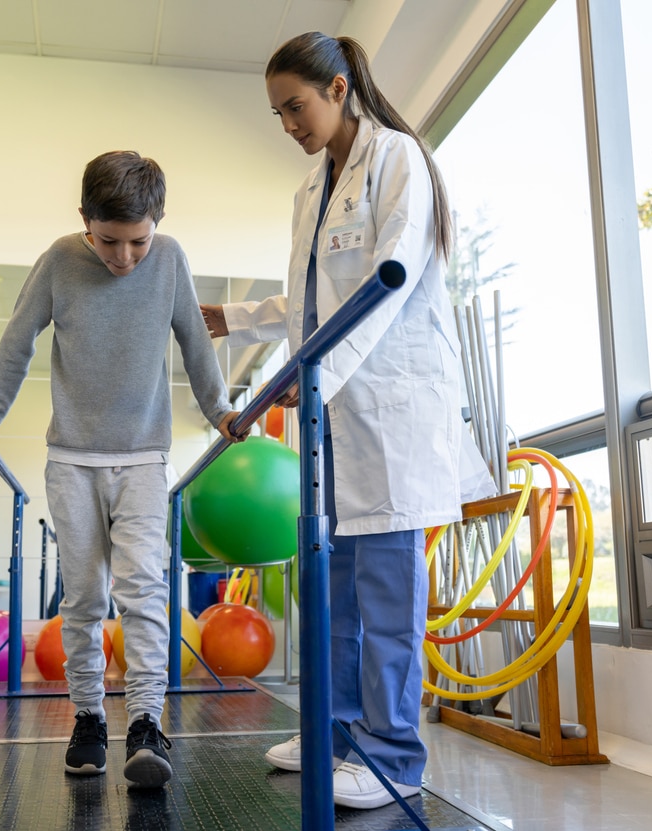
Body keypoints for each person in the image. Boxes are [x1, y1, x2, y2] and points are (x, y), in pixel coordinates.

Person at [201, 32, 464, 811]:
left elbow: (389, 279)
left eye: (295, 106)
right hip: (337, 415)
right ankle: (340, 734)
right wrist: (238, 320)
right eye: (278, 112)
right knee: (336, 592)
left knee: (385, 598)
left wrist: (313, 380)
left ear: (340, 87)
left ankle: (392, 755)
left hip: (390, 408)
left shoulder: (397, 162)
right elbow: (312, 297)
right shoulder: (312, 188)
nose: (287, 123)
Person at [0, 150, 243, 789]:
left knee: (143, 589)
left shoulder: (168, 260)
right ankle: (89, 716)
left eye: (137, 241)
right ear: (85, 219)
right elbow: (18, 337)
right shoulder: (61, 260)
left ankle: (146, 721)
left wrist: (221, 411)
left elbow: (196, 344)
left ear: (157, 223)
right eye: (109, 240)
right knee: (84, 597)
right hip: (73, 460)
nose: (123, 257)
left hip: (143, 456)